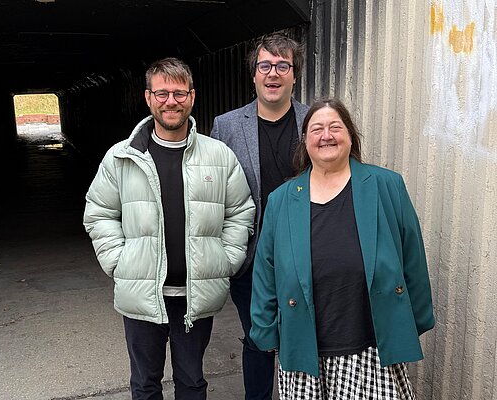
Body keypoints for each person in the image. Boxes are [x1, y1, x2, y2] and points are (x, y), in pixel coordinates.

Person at [83, 57, 255, 400]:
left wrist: (225, 260)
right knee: (145, 383)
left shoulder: (219, 156)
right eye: (162, 93)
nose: (171, 101)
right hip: (142, 293)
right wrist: (119, 261)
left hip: (194, 296)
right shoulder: (121, 158)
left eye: (179, 93)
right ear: (148, 98)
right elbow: (99, 212)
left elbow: (240, 212)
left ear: (192, 97)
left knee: (191, 381)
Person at [250, 98, 435, 399]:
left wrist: (411, 322)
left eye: (335, 127)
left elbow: (413, 258)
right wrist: (265, 330)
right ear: (305, 142)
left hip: (372, 349)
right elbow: (265, 271)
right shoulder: (281, 199)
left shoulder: (387, 186)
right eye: (316, 129)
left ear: (350, 136)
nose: (326, 135)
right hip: (304, 350)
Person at [210, 33, 309, 400]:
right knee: (258, 337)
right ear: (253, 74)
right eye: (265, 65)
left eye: (283, 66)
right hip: (251, 259)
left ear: (294, 75)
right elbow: (213, 191)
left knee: (303, 337)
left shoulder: (314, 121)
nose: (273, 73)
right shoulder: (228, 125)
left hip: (306, 254)